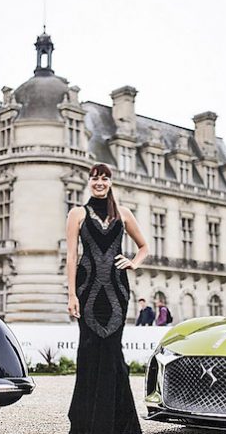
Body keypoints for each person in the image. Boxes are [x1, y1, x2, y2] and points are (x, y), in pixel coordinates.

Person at [66, 163, 148, 434]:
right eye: (95, 178)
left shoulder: (123, 214)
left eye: (104, 178)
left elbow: (144, 246)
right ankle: (87, 425)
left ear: (110, 182)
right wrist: (70, 295)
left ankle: (119, 426)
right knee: (89, 352)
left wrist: (134, 262)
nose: (99, 182)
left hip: (117, 291)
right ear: (89, 182)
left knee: (113, 353)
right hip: (87, 291)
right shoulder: (77, 213)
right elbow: (71, 257)